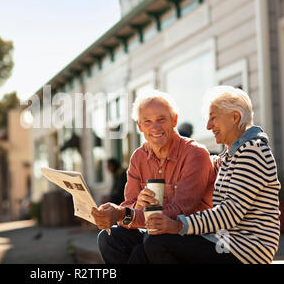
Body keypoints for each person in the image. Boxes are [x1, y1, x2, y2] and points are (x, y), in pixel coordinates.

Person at [143, 86, 281, 264]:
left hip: (246, 250)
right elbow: (198, 163)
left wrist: (178, 224)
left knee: (157, 242)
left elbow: (230, 212)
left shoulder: (252, 151)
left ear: (235, 117)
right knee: (144, 243)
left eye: (213, 118)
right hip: (225, 241)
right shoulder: (231, 155)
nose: (208, 126)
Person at [91, 90, 217, 264]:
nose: (155, 127)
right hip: (155, 234)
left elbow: (181, 211)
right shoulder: (138, 157)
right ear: (140, 126)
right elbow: (129, 206)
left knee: (151, 243)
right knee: (109, 238)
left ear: (174, 120)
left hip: (191, 235)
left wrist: (127, 214)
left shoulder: (195, 154)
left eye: (161, 119)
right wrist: (135, 208)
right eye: (147, 121)